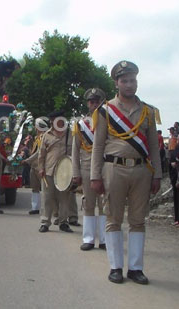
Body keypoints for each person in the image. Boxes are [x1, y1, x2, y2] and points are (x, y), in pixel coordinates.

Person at [91, 61, 162, 285]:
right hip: (114, 169)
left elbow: (153, 146)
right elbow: (98, 145)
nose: (129, 84)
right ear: (116, 83)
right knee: (113, 218)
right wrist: (95, 175)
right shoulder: (105, 110)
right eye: (125, 80)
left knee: (138, 220)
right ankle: (115, 267)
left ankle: (136, 268)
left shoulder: (148, 111)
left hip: (141, 169)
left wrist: (157, 174)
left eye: (132, 80)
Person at [72, 88, 107, 250]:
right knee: (89, 203)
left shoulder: (109, 120)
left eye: (96, 101)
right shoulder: (81, 124)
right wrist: (76, 173)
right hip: (86, 167)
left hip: (106, 166)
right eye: (91, 101)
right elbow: (75, 149)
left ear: (102, 102)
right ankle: (88, 238)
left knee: (105, 204)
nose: (93, 104)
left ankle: (105, 239)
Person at [37, 110, 79, 233]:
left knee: (64, 199)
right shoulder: (47, 135)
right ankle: (45, 222)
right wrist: (41, 168)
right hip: (49, 171)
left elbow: (76, 153)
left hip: (65, 172)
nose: (52, 123)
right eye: (51, 121)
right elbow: (41, 154)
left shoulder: (71, 134)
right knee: (47, 198)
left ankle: (63, 222)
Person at [23, 117, 49, 215]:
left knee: (44, 188)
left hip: (40, 165)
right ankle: (35, 207)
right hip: (34, 166)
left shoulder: (43, 137)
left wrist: (28, 160)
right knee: (35, 188)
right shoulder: (37, 137)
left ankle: (45, 208)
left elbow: (39, 153)